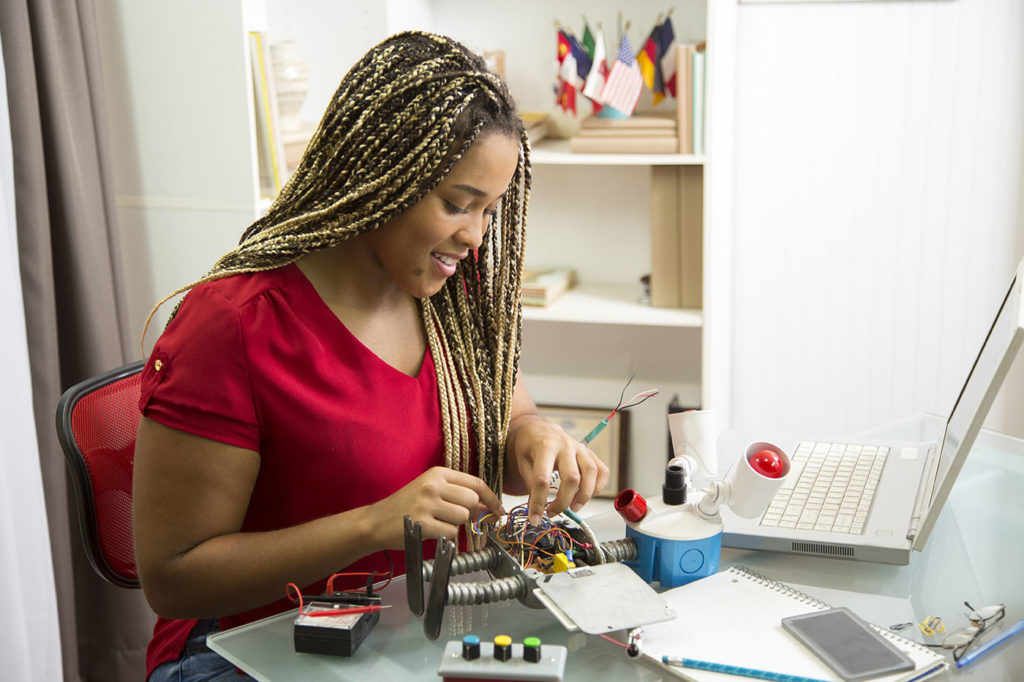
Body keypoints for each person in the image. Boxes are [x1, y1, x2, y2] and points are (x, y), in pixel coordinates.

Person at [132, 31, 610, 681]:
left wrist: (535, 438)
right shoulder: (233, 327)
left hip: (412, 630)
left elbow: (508, 421)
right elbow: (174, 579)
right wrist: (371, 526)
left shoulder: (452, 297)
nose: (474, 237)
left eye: (490, 212)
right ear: (377, 175)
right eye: (457, 205)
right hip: (249, 650)